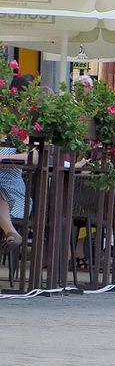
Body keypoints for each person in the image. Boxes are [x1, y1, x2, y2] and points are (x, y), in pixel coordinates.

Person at [0, 74, 37, 251]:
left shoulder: (20, 130)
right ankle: (10, 232)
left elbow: (33, 157)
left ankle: (10, 231)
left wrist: (4, 158)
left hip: (15, 195)